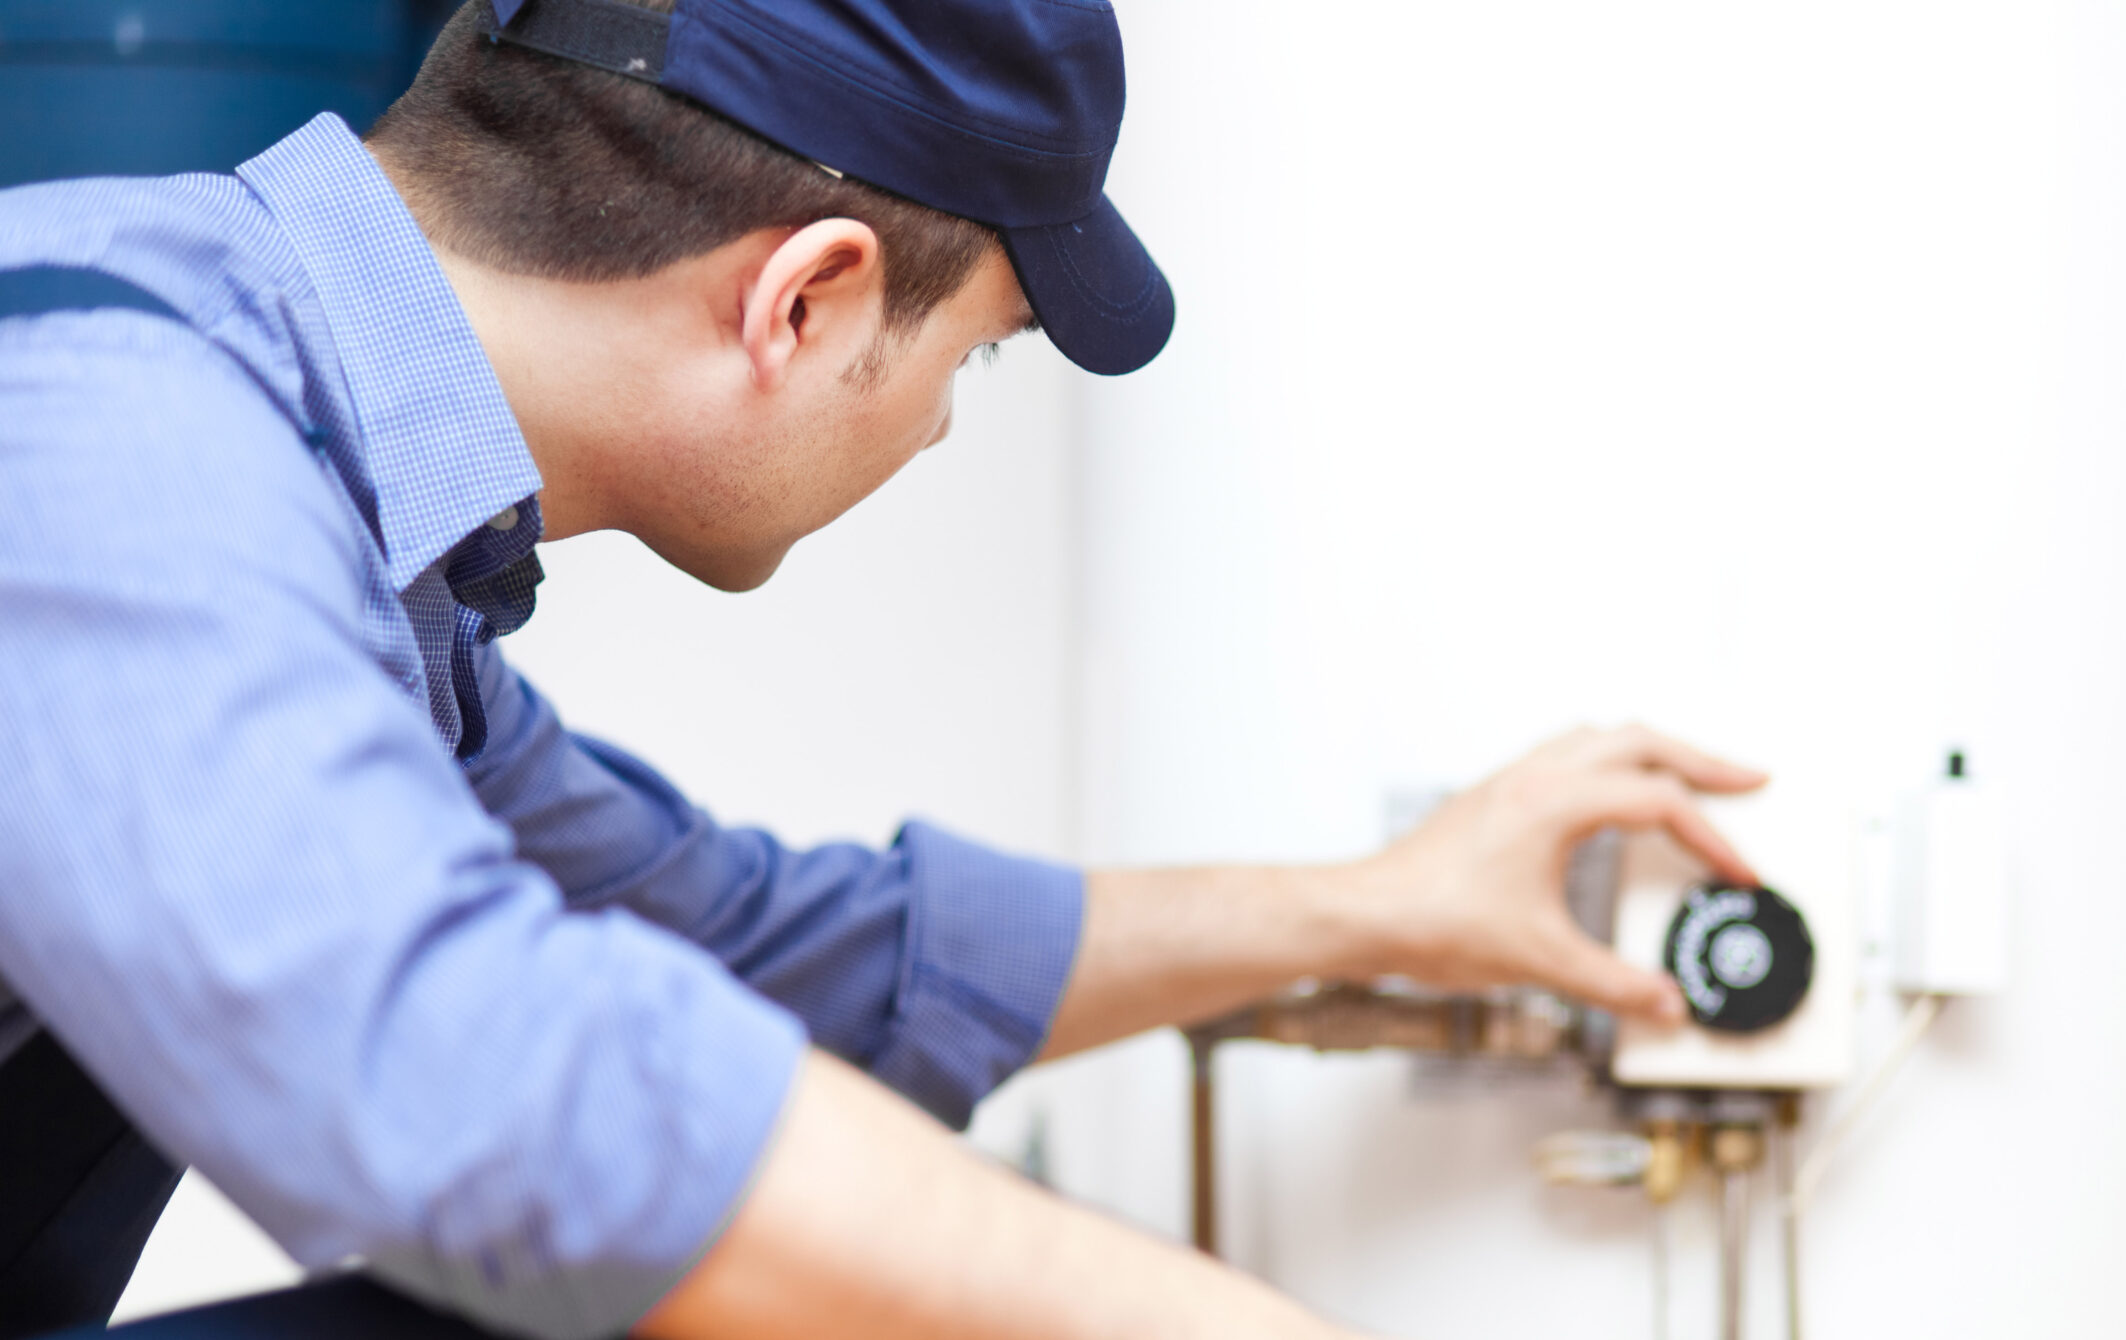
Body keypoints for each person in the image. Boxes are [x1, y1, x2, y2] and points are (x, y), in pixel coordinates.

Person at [0, 2, 1766, 1337]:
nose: (932, 434)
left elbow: (751, 953)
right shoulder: (104, 424)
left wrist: (1380, 908)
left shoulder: (349, 515)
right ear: (808, 301)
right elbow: (485, 1084)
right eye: (977, 361)